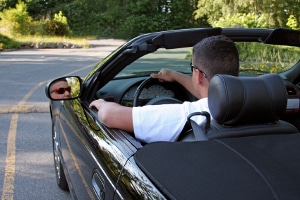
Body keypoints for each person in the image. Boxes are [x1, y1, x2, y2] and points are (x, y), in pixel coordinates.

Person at [89, 35, 239, 143]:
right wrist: (174, 75)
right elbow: (205, 91)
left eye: (192, 68)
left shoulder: (189, 115)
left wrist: (102, 103)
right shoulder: (256, 105)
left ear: (198, 75)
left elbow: (109, 115)